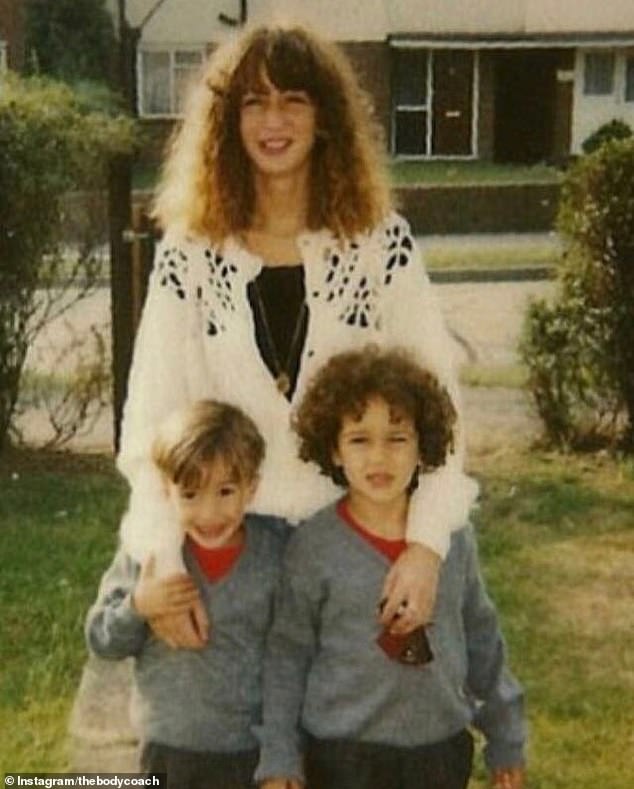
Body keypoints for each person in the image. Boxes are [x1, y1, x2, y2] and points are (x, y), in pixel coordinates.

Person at [117, 23, 478, 648]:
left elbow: (440, 408)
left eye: (293, 100)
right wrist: (163, 560)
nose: (273, 120)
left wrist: (425, 546)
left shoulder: (379, 244)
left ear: (325, 117)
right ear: (229, 122)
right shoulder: (191, 252)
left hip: (355, 546)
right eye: (254, 102)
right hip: (228, 551)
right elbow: (149, 424)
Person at [255, 346, 527, 789]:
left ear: (424, 446)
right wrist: (280, 756)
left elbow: (483, 641)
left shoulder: (449, 542)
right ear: (335, 450)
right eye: (360, 439)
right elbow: (287, 656)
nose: (378, 458)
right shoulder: (314, 546)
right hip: (343, 757)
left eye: (397, 438)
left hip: (438, 752)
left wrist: (506, 736)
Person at [86, 400, 289, 789]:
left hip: (251, 753)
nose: (209, 513)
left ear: (252, 488)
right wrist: (138, 607)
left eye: (226, 491)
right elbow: (101, 639)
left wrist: (283, 752)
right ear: (167, 491)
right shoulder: (150, 557)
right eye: (191, 494)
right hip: (168, 751)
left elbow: (293, 659)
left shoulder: (277, 552)